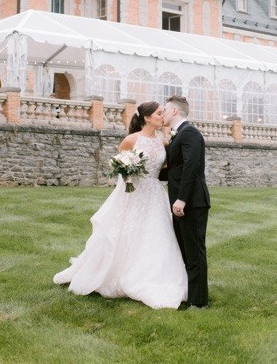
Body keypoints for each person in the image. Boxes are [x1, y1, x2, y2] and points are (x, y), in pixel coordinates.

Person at [53, 101, 187, 310]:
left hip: (154, 194)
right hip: (133, 194)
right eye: (159, 113)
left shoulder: (164, 142)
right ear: (147, 118)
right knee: (125, 232)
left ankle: (154, 276)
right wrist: (128, 173)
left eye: (163, 113)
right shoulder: (130, 140)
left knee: (157, 233)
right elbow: (121, 169)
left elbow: (165, 169)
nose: (163, 116)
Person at [160, 95, 211, 309]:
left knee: (194, 251)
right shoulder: (178, 134)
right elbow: (176, 170)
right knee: (185, 250)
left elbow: (192, 167)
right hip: (182, 202)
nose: (161, 113)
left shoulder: (189, 133)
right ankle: (191, 295)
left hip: (192, 202)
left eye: (164, 110)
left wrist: (181, 199)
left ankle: (199, 302)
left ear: (174, 111)